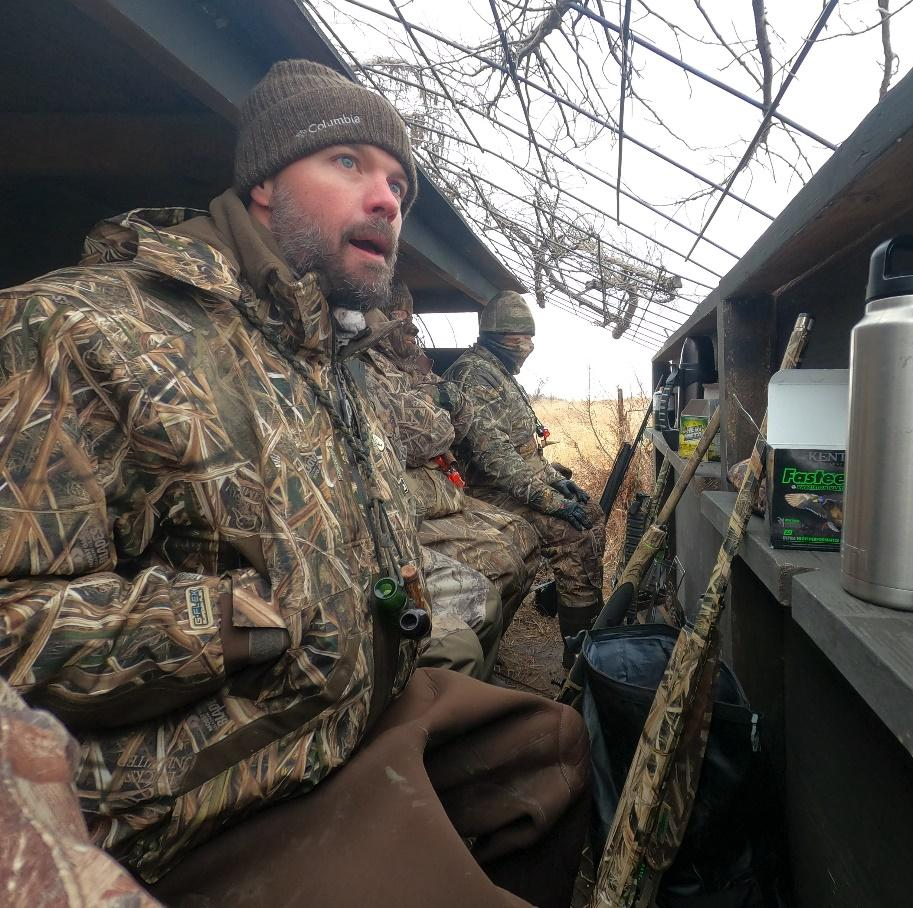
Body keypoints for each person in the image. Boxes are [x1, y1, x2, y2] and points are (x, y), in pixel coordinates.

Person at [0, 59, 587, 905]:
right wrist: (249, 623)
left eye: (399, 183)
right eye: (348, 162)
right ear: (265, 184)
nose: (387, 199)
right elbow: (14, 622)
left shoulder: (325, 353)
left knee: (553, 750)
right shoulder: (81, 328)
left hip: (348, 719)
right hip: (205, 798)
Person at [362, 283, 542, 676]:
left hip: (442, 492)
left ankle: (486, 657)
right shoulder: (367, 366)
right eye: (400, 319)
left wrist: (441, 410)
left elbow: (458, 419)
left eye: (412, 320)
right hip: (413, 503)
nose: (412, 330)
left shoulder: (408, 365)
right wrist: (441, 414)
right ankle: (456, 669)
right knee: (500, 566)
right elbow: (425, 432)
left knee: (522, 537)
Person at [444, 292, 607, 662]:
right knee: (573, 534)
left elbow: (523, 450)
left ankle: (588, 623)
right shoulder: (474, 376)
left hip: (512, 484)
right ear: (497, 336)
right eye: (520, 337)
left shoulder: (498, 371)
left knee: (591, 514)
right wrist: (552, 501)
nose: (527, 346)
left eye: (530, 337)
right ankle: (579, 657)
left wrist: (554, 479)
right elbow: (496, 459)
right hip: (485, 492)